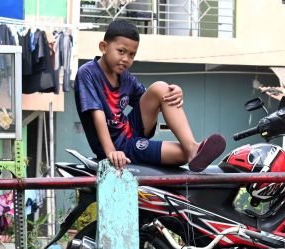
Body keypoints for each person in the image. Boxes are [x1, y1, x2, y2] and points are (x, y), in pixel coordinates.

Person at [74, 20, 225, 172]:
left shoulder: (125, 77)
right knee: (182, 155)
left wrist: (175, 92)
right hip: (119, 148)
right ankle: (190, 152)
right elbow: (97, 115)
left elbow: (153, 100)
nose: (126, 59)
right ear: (104, 47)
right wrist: (111, 152)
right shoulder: (88, 73)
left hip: (131, 131)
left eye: (132, 55)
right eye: (121, 51)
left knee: (161, 88)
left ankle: (192, 146)